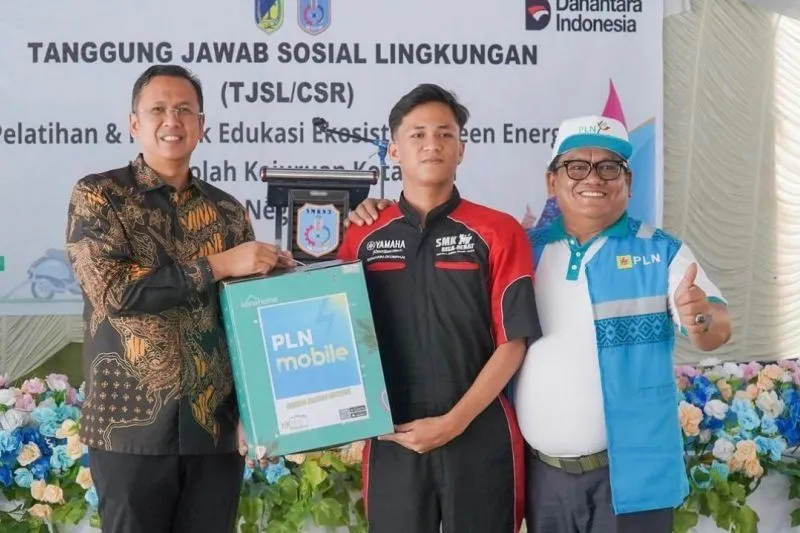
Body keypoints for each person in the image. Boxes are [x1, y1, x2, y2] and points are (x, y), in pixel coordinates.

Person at [347, 115, 733, 533]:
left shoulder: (660, 251)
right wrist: (380, 211)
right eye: (577, 167)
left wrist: (699, 317)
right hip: (543, 479)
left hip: (634, 475)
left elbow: (715, 327)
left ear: (629, 181)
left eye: (609, 167)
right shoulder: (521, 248)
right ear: (552, 181)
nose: (593, 178)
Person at [65, 65, 293, 533]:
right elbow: (114, 291)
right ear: (135, 123)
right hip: (130, 431)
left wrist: (278, 275)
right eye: (159, 110)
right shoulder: (100, 196)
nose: (172, 121)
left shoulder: (227, 211)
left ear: (201, 125)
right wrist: (220, 264)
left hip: (214, 431)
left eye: (185, 110)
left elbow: (244, 321)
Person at [336, 83, 542, 533]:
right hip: (394, 436)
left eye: (446, 134)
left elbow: (513, 342)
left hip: (480, 432)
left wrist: (453, 423)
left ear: (461, 149)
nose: (433, 144)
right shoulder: (362, 235)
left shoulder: (498, 230)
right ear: (394, 150)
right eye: (418, 134)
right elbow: (339, 339)